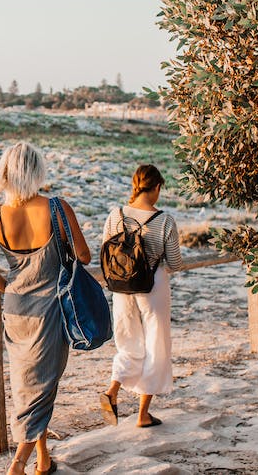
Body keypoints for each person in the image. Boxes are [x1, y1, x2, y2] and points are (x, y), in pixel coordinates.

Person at [0, 142, 91, 475]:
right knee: (43, 386)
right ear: (37, 170)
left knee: (28, 384)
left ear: (7, 173)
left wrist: (14, 290)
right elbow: (84, 256)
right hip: (50, 310)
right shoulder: (57, 208)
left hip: (15, 310)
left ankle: (43, 459)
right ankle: (17, 464)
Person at [99, 164, 183, 428]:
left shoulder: (116, 214)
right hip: (153, 286)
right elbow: (175, 263)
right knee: (155, 345)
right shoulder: (165, 220)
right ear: (157, 187)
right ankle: (142, 414)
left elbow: (104, 249)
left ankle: (113, 390)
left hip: (122, 287)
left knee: (128, 342)